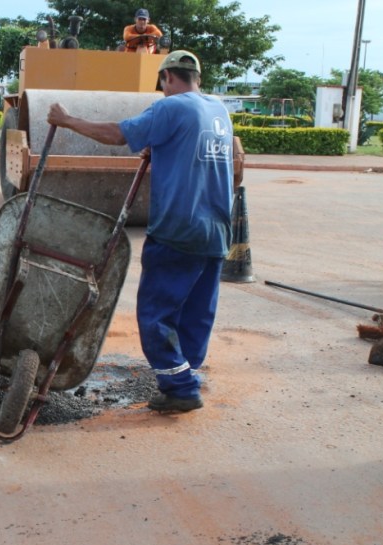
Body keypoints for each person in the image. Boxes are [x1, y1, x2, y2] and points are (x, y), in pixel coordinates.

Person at [46, 50, 233, 413]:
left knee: (155, 313)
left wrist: (67, 120)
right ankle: (186, 376)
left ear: (167, 78)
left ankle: (179, 387)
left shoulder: (171, 107)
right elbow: (192, 152)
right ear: (197, 77)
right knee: (196, 312)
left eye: (162, 84)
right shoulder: (218, 110)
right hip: (216, 231)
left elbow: (117, 134)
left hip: (179, 230)